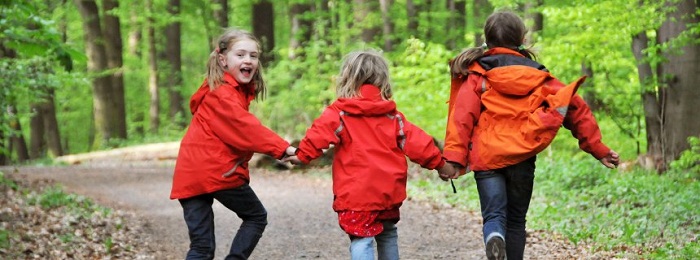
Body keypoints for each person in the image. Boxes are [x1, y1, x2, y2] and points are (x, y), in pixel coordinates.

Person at [443, 11, 620, 260]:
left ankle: (494, 236)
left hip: (487, 157)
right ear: (522, 38)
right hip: (522, 158)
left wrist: (453, 158)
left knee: (494, 216)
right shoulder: (539, 77)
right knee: (516, 220)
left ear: (487, 39)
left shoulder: (477, 76)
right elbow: (574, 107)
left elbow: (461, 119)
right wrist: (597, 148)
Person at [284, 50, 457, 260]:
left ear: (347, 79)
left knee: (361, 238)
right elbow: (418, 143)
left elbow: (319, 135)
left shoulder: (339, 113)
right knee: (388, 235)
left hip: (356, 195)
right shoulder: (393, 117)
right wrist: (440, 164)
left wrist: (303, 156)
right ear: (383, 81)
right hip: (388, 193)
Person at [170, 28, 296, 260]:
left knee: (201, 247)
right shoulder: (222, 94)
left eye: (253, 56)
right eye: (240, 55)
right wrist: (283, 149)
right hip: (216, 171)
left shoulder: (217, 91)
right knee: (256, 216)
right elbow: (246, 128)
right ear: (223, 59)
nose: (248, 60)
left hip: (189, 175)